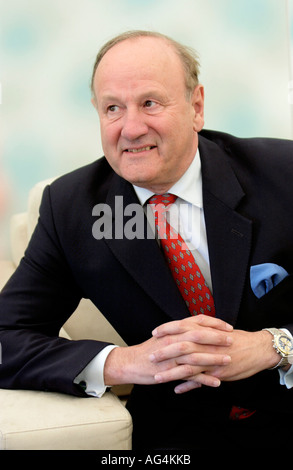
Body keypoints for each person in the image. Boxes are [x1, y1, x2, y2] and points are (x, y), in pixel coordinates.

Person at [1, 30, 293, 450]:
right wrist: (123, 362)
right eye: (113, 108)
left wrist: (274, 346)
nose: (131, 128)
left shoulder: (282, 173)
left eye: (150, 103)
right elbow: (6, 335)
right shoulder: (70, 208)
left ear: (196, 107)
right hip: (177, 436)